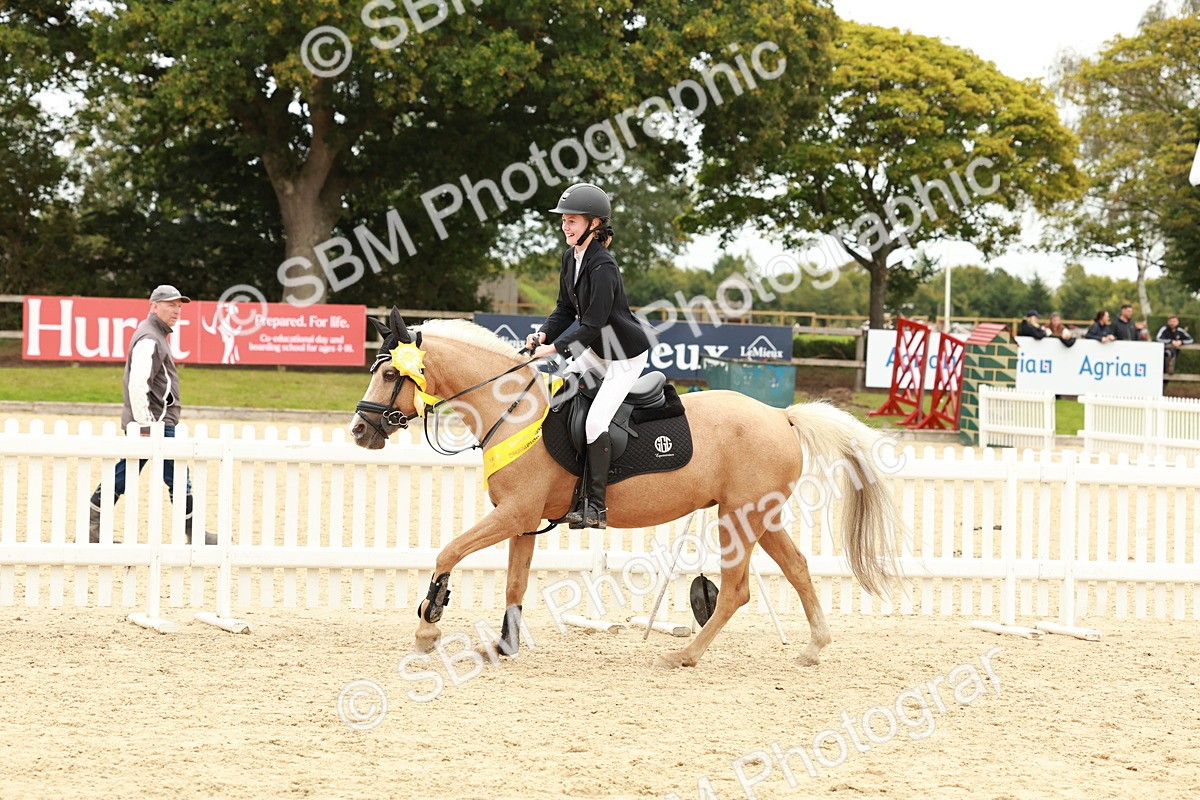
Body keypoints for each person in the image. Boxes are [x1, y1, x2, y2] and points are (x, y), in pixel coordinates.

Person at [526, 183, 651, 530]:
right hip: (598, 349)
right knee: (558, 394)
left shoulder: (603, 266)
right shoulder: (571, 258)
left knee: (596, 422)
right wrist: (543, 334)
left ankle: (595, 505)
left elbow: (593, 323)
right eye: (564, 220)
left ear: (594, 225)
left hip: (623, 355)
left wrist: (554, 349)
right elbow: (565, 308)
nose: (566, 227)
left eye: (573, 221)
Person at [88, 285, 215, 545]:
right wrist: (146, 425)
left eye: (179, 306)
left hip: (155, 421)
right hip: (155, 423)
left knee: (130, 472)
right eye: (171, 305)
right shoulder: (150, 337)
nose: (177, 310)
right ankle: (193, 533)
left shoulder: (155, 335)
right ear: (154, 306)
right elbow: (138, 383)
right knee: (177, 476)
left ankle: (93, 526)